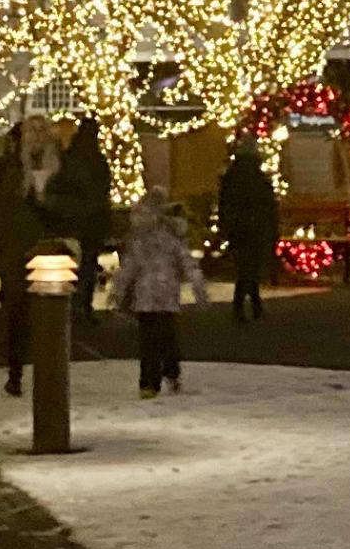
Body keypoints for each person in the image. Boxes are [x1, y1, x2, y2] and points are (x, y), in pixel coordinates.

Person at [108, 192, 201, 396]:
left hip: (162, 297)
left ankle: (166, 374)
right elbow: (129, 267)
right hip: (148, 297)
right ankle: (151, 381)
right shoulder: (140, 241)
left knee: (163, 339)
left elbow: (185, 261)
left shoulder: (168, 239)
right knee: (151, 340)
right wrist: (118, 289)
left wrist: (197, 283)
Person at [43, 116, 117, 338]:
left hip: (73, 220)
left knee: (75, 265)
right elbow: (102, 189)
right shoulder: (95, 160)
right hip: (88, 220)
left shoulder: (70, 158)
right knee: (86, 265)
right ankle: (82, 306)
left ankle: (72, 306)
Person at [0, 127, 45, 396]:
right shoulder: (10, 170)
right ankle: (17, 372)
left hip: (42, 248)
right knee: (19, 314)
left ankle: (37, 371)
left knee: (43, 313)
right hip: (18, 248)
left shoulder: (50, 168)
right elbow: (1, 206)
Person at [215, 133, 283, 324]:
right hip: (255, 227)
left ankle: (250, 305)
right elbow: (268, 204)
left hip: (238, 228)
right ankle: (248, 306)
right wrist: (272, 226)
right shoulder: (259, 177)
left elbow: (224, 203)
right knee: (251, 268)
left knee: (244, 268)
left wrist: (224, 227)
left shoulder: (231, 175)